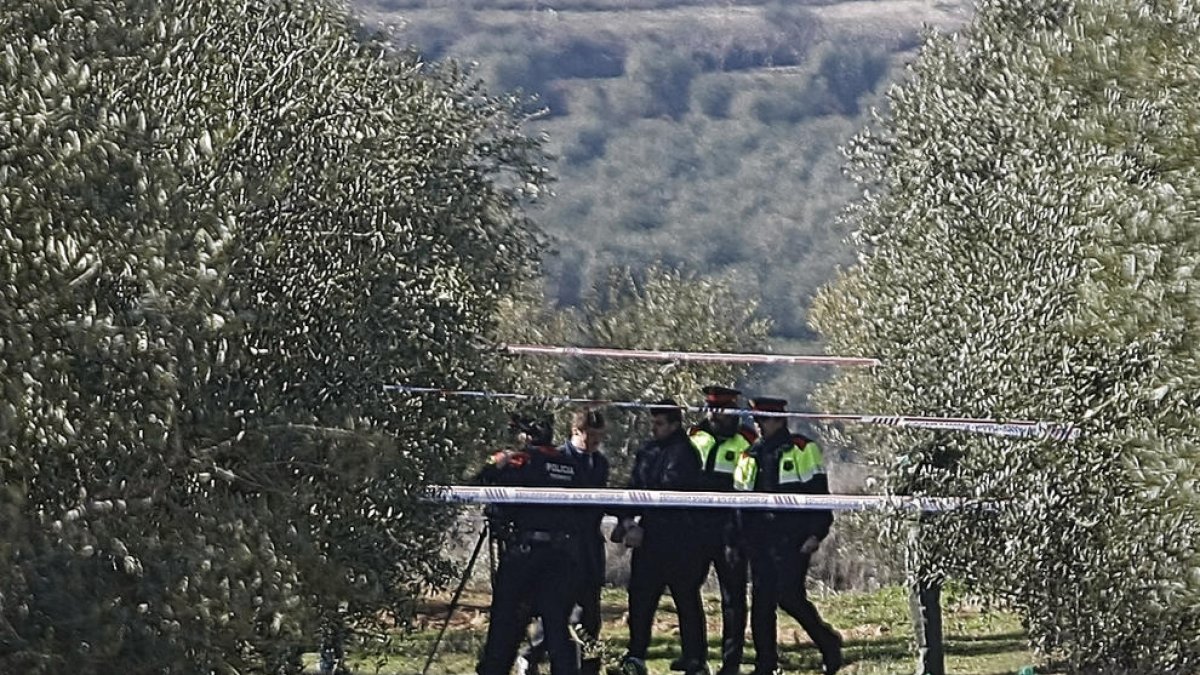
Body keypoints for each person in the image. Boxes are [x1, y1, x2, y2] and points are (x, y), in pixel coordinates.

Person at [734, 397, 844, 675]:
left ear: (780, 420)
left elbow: (819, 495)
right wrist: (740, 538)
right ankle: (765, 664)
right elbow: (739, 502)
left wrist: (817, 534)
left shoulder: (803, 449)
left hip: (793, 540)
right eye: (756, 420)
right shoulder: (749, 454)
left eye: (765, 420)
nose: (759, 426)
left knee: (789, 596)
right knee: (761, 603)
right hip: (760, 541)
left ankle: (827, 641)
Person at [476, 414, 585, 675]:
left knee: (505, 624)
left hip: (525, 556)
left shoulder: (520, 460)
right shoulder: (569, 463)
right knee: (557, 628)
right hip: (562, 557)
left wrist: (498, 461)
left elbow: (482, 480)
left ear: (526, 436)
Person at [613, 400, 709, 675]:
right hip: (649, 541)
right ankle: (636, 656)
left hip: (681, 541)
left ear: (674, 424)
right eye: (652, 423)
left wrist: (642, 526)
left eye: (659, 423)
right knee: (641, 600)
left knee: (686, 600)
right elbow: (635, 488)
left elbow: (668, 492)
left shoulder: (684, 454)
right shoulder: (647, 451)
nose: (653, 428)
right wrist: (627, 520)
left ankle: (695, 659)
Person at [518, 409, 610, 675]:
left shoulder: (601, 463)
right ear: (576, 432)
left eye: (599, 437)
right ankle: (531, 655)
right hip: (562, 548)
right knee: (556, 610)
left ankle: (590, 666)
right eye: (590, 436)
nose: (595, 442)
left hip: (590, 547)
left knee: (590, 614)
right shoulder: (558, 460)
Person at [685, 385, 758, 675]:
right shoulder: (694, 436)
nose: (718, 416)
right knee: (688, 590)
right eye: (713, 410)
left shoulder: (747, 440)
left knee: (733, 598)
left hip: (732, 531)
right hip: (697, 528)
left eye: (724, 411)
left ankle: (731, 661)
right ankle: (694, 657)